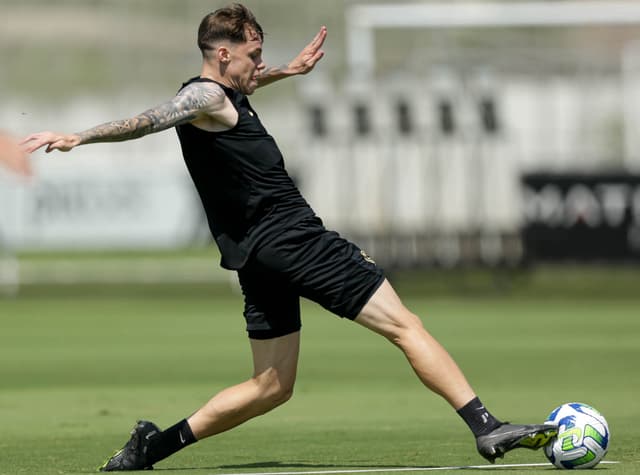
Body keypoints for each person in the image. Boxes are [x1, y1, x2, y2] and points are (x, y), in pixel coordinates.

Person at [22, 3, 557, 472]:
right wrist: (81, 136)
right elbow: (151, 118)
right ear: (223, 54)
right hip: (296, 240)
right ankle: (486, 425)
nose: (260, 63)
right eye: (254, 55)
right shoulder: (204, 95)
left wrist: (286, 70)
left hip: (258, 255)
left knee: (272, 387)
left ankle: (151, 448)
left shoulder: (223, 93)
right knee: (405, 324)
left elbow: (229, 92)